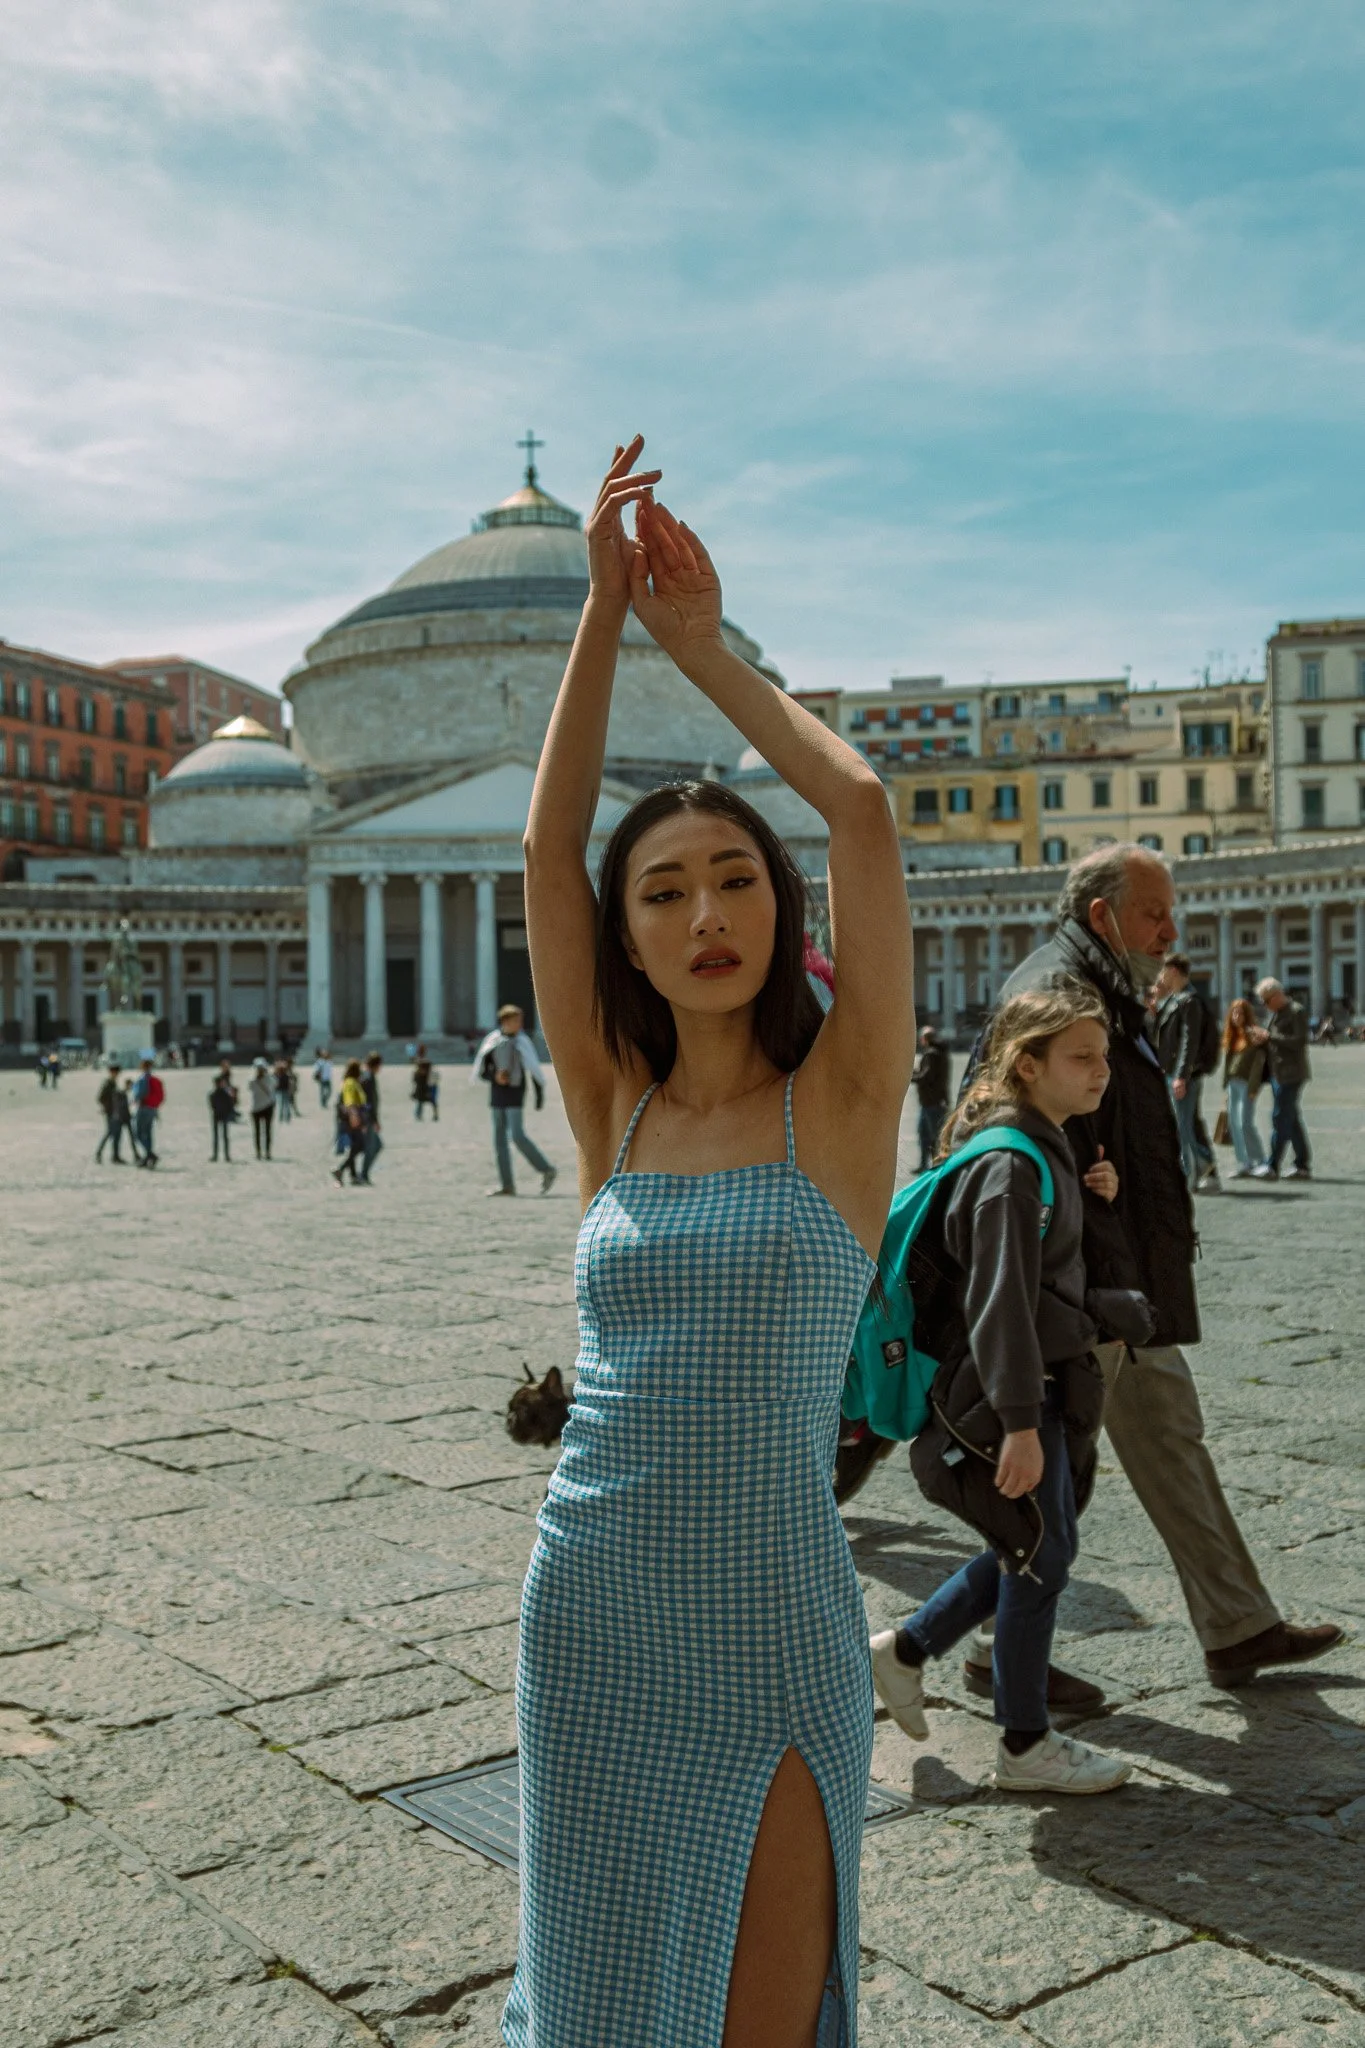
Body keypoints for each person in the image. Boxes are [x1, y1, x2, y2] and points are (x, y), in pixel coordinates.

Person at [505, 440, 914, 2048]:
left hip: (771, 1618)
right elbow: (545, 856)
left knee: (763, 2011)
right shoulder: (615, 1106)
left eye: (734, 879)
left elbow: (862, 807)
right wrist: (596, 620)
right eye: (662, 893)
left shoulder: (846, 1100)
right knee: (599, 1996)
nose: (702, 915)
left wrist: (700, 653)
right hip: (589, 1600)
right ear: (629, 937)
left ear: (781, 912)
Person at [989, 843, 1340, 1688]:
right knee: (1049, 1481)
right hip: (1082, 1288)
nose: (1170, 930)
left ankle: (1236, 1625)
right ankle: (984, 1653)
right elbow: (1003, 1130)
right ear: (1102, 915)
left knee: (1169, 1441)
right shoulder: (1059, 992)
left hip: (1119, 1284)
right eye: (1154, 913)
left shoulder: (1103, 988)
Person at [872, 984, 1139, 1794]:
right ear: (1028, 1065)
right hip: (1003, 1394)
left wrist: (1094, 1205)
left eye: (1102, 1055)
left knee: (1036, 1547)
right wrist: (1020, 1424)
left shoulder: (1043, 1148)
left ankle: (908, 1650)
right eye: (1081, 1058)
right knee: (1038, 1555)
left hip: (1032, 1382)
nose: (1101, 1072)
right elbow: (1000, 1305)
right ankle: (1023, 1743)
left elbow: (1041, 1278)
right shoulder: (1009, 1169)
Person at [470, 1004, 556, 1196]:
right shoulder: (492, 1041)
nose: (519, 1024)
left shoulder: (522, 1042)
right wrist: (495, 1077)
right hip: (497, 1094)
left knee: (517, 1135)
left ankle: (546, 1169)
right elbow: (484, 1070)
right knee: (499, 1140)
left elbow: (533, 1069)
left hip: (515, 1093)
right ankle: (507, 1184)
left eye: (520, 1020)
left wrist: (539, 1096)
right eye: (516, 1020)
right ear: (505, 1022)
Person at [1154, 954, 1219, 1193]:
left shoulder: (1189, 1001)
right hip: (1172, 1072)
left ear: (1173, 971)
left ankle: (1190, 1177)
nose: (1160, 977)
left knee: (1183, 1126)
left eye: (1163, 971)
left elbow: (1188, 1042)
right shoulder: (1174, 999)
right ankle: (1206, 1174)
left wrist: (1181, 1074)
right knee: (1188, 1123)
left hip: (1182, 1076)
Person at [1256, 977, 1312, 1181]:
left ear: (1277, 995)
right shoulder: (1275, 1014)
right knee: (1292, 1120)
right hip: (1277, 1073)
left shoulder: (1296, 1011)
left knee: (1280, 1117)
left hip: (1292, 1073)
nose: (1265, 1005)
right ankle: (1302, 1164)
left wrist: (1270, 1037)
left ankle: (1273, 1165)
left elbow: (1299, 1041)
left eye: (1266, 1000)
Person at [1220, 997, 1268, 1177]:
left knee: (1246, 1123)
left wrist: (1254, 1088)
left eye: (1240, 1012)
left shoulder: (1252, 1034)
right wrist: (1225, 1087)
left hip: (1247, 1084)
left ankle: (1260, 1160)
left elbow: (1258, 1064)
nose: (1236, 1016)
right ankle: (1243, 1162)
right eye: (1234, 1012)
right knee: (1234, 1124)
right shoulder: (1231, 1036)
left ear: (1247, 1015)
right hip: (1233, 1084)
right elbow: (1228, 1064)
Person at [911, 1023, 951, 1172]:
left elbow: (926, 1076)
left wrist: (910, 1075)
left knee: (932, 1136)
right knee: (925, 1134)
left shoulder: (931, 1054)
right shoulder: (941, 1053)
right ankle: (926, 1165)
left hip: (931, 1102)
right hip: (933, 1102)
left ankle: (936, 1166)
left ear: (924, 1039)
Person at [332, 1060, 369, 1185]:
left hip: (354, 1117)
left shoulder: (353, 1082)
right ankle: (340, 1169)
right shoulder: (350, 1083)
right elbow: (350, 1102)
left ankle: (353, 1176)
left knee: (354, 1146)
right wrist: (355, 1117)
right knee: (360, 1145)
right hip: (353, 1119)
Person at [131, 1057, 164, 1168]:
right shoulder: (154, 1079)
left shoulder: (143, 1078)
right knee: (148, 1134)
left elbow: (139, 1094)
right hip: (153, 1109)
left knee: (138, 1134)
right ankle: (148, 1158)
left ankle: (150, 1154)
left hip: (143, 1108)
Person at [95, 1064, 131, 1163]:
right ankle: (99, 1153)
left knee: (116, 1134)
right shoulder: (108, 1083)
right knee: (110, 1133)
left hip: (116, 1112)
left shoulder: (113, 1083)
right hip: (111, 1113)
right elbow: (101, 1097)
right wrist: (108, 1107)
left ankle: (115, 1156)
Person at [358, 1051, 383, 1182]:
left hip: (367, 1117)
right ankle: (363, 1174)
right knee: (373, 1145)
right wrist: (373, 1120)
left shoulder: (367, 1076)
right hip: (367, 1118)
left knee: (374, 1145)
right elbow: (368, 1102)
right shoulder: (368, 1078)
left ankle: (362, 1173)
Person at [248, 1057, 275, 1159]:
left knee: (263, 1131)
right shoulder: (259, 1079)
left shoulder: (254, 1080)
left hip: (263, 1106)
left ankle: (263, 1152)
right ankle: (262, 1152)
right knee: (261, 1131)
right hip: (260, 1107)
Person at [209, 1062, 237, 1162]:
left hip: (219, 1115)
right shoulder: (219, 1094)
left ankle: (222, 1155)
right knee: (220, 1137)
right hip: (220, 1115)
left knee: (222, 1137)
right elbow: (230, 1104)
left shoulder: (214, 1094)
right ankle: (221, 1155)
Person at [411, 1043, 437, 1120]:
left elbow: (426, 1071)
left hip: (425, 1083)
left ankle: (433, 1114)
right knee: (421, 1100)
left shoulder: (424, 1062)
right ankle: (418, 1114)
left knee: (427, 1099)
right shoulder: (421, 1061)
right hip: (421, 1083)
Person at [273, 1056, 293, 1123]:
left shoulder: (284, 1075)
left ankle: (284, 1117)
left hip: (282, 1091)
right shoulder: (281, 1075)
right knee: (284, 1105)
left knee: (283, 1105)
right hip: (281, 1091)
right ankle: (283, 1117)